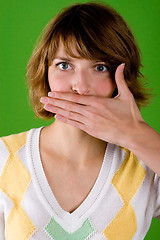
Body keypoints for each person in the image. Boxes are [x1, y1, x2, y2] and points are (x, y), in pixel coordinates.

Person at [0, 1, 160, 239]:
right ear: (45, 72)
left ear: (123, 77)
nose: (80, 87)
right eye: (64, 65)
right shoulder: (4, 157)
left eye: (100, 67)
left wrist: (135, 133)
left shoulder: (146, 166)